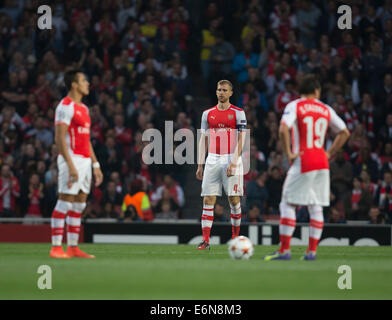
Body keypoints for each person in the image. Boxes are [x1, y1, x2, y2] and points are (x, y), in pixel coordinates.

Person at [264, 74, 350, 261]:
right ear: (317, 91)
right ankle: (311, 252)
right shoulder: (325, 108)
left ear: (300, 90)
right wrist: (330, 152)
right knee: (315, 206)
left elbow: (282, 128)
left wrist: (288, 153)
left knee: (287, 203)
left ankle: (285, 250)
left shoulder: (295, 105)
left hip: (304, 159)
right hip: (322, 160)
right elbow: (344, 132)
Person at [50, 69, 103, 259]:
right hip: (71, 159)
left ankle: (72, 247)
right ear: (74, 84)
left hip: (85, 161)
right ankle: (56, 247)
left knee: (79, 204)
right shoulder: (65, 106)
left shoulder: (84, 108)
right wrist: (70, 165)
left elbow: (87, 139)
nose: (87, 83)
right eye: (83, 80)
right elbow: (59, 138)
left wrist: (96, 165)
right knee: (64, 201)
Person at [196, 80, 247, 250]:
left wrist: (234, 161)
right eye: (219, 90)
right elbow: (203, 138)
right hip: (212, 159)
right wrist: (200, 164)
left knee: (233, 199)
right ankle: (205, 240)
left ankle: (235, 237)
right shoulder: (207, 114)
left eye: (225, 90)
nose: (221, 92)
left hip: (230, 158)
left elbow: (242, 138)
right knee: (208, 199)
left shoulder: (238, 113)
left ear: (231, 93)